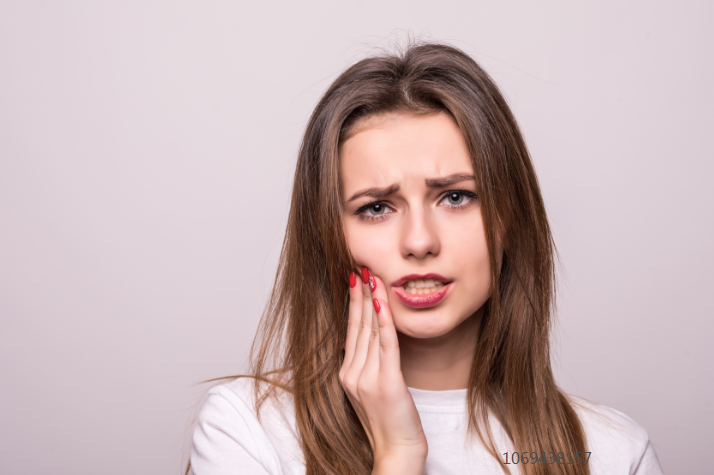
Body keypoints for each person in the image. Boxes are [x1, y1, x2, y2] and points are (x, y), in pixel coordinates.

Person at [186, 43, 663, 475]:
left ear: (510, 217)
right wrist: (397, 455)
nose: (419, 242)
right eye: (377, 208)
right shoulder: (247, 430)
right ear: (329, 234)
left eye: (456, 197)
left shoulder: (611, 452)